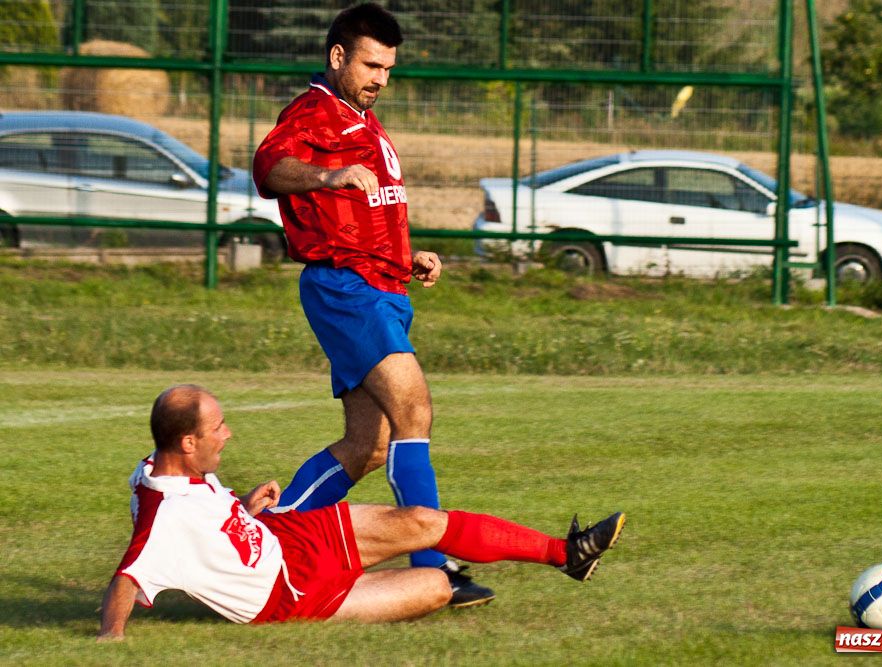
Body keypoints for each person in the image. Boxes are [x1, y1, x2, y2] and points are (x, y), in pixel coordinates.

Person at [250, 2, 492, 606]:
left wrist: (408, 257)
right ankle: (434, 568)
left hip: (379, 284)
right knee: (415, 411)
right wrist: (325, 178)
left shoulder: (362, 119)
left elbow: (366, 210)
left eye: (387, 67)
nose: (380, 77)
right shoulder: (314, 111)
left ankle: (264, 542)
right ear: (337, 57)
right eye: (369, 63)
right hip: (346, 289)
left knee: (368, 445)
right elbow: (268, 166)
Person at [97, 386, 627, 639]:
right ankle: (554, 556)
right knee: (436, 588)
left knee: (419, 521)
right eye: (218, 427)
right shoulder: (161, 514)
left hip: (291, 538)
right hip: (290, 593)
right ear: (187, 441)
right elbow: (129, 574)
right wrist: (110, 638)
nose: (228, 432)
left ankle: (566, 553)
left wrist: (244, 507)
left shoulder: (165, 468)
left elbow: (204, 515)